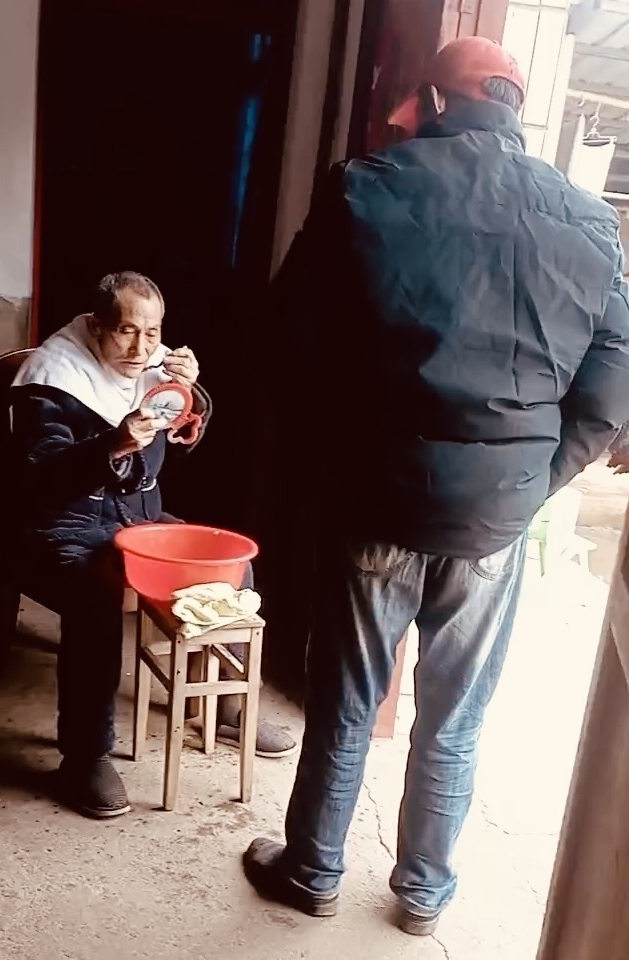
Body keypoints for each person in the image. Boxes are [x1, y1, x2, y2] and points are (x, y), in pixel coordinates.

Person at [242, 37, 629, 935]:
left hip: (376, 494)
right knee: (455, 719)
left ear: (435, 99)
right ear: (514, 106)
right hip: (496, 518)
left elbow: (283, 341)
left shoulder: (365, 188)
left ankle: (314, 870)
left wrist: (339, 456)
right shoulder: (588, 220)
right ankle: (422, 895)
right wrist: (534, 481)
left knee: (346, 701)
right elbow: (611, 390)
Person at [12, 271, 296, 820]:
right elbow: (40, 478)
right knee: (96, 589)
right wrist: (111, 444)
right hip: (65, 523)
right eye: (126, 331)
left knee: (231, 569)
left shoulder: (154, 366)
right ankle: (85, 754)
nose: (141, 348)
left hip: (139, 519)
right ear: (96, 327)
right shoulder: (51, 376)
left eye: (153, 332)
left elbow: (182, 424)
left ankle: (227, 709)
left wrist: (198, 396)